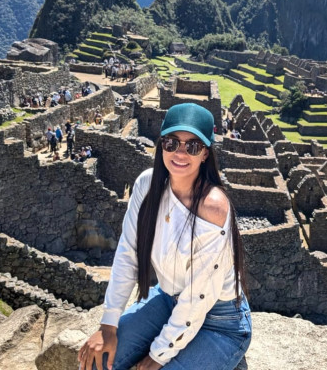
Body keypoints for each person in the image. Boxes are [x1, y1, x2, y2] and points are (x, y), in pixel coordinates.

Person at [78, 103, 251, 370]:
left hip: (220, 323)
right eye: (172, 143)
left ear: (205, 153)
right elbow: (128, 253)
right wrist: (108, 324)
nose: (180, 153)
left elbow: (198, 297)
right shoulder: (147, 185)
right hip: (168, 300)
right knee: (96, 364)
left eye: (192, 146)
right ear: (162, 146)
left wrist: (158, 354)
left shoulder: (213, 208)